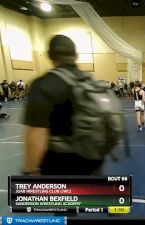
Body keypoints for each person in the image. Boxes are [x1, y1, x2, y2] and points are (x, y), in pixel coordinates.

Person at [23, 35, 104, 175]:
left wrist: (30, 171)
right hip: (93, 162)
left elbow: (37, 133)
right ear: (76, 55)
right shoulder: (90, 81)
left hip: (60, 166)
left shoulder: (43, 85)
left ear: (49, 55)